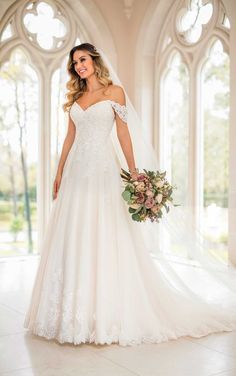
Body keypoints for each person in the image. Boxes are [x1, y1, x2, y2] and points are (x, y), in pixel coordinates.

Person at [24, 43, 236, 346]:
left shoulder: (115, 92)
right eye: (75, 63)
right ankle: (68, 314)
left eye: (83, 59)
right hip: (76, 174)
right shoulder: (77, 98)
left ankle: (106, 312)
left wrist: (134, 171)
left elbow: (123, 133)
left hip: (103, 171)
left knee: (104, 232)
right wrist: (58, 172)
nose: (79, 66)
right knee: (74, 233)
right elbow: (69, 136)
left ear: (95, 61)